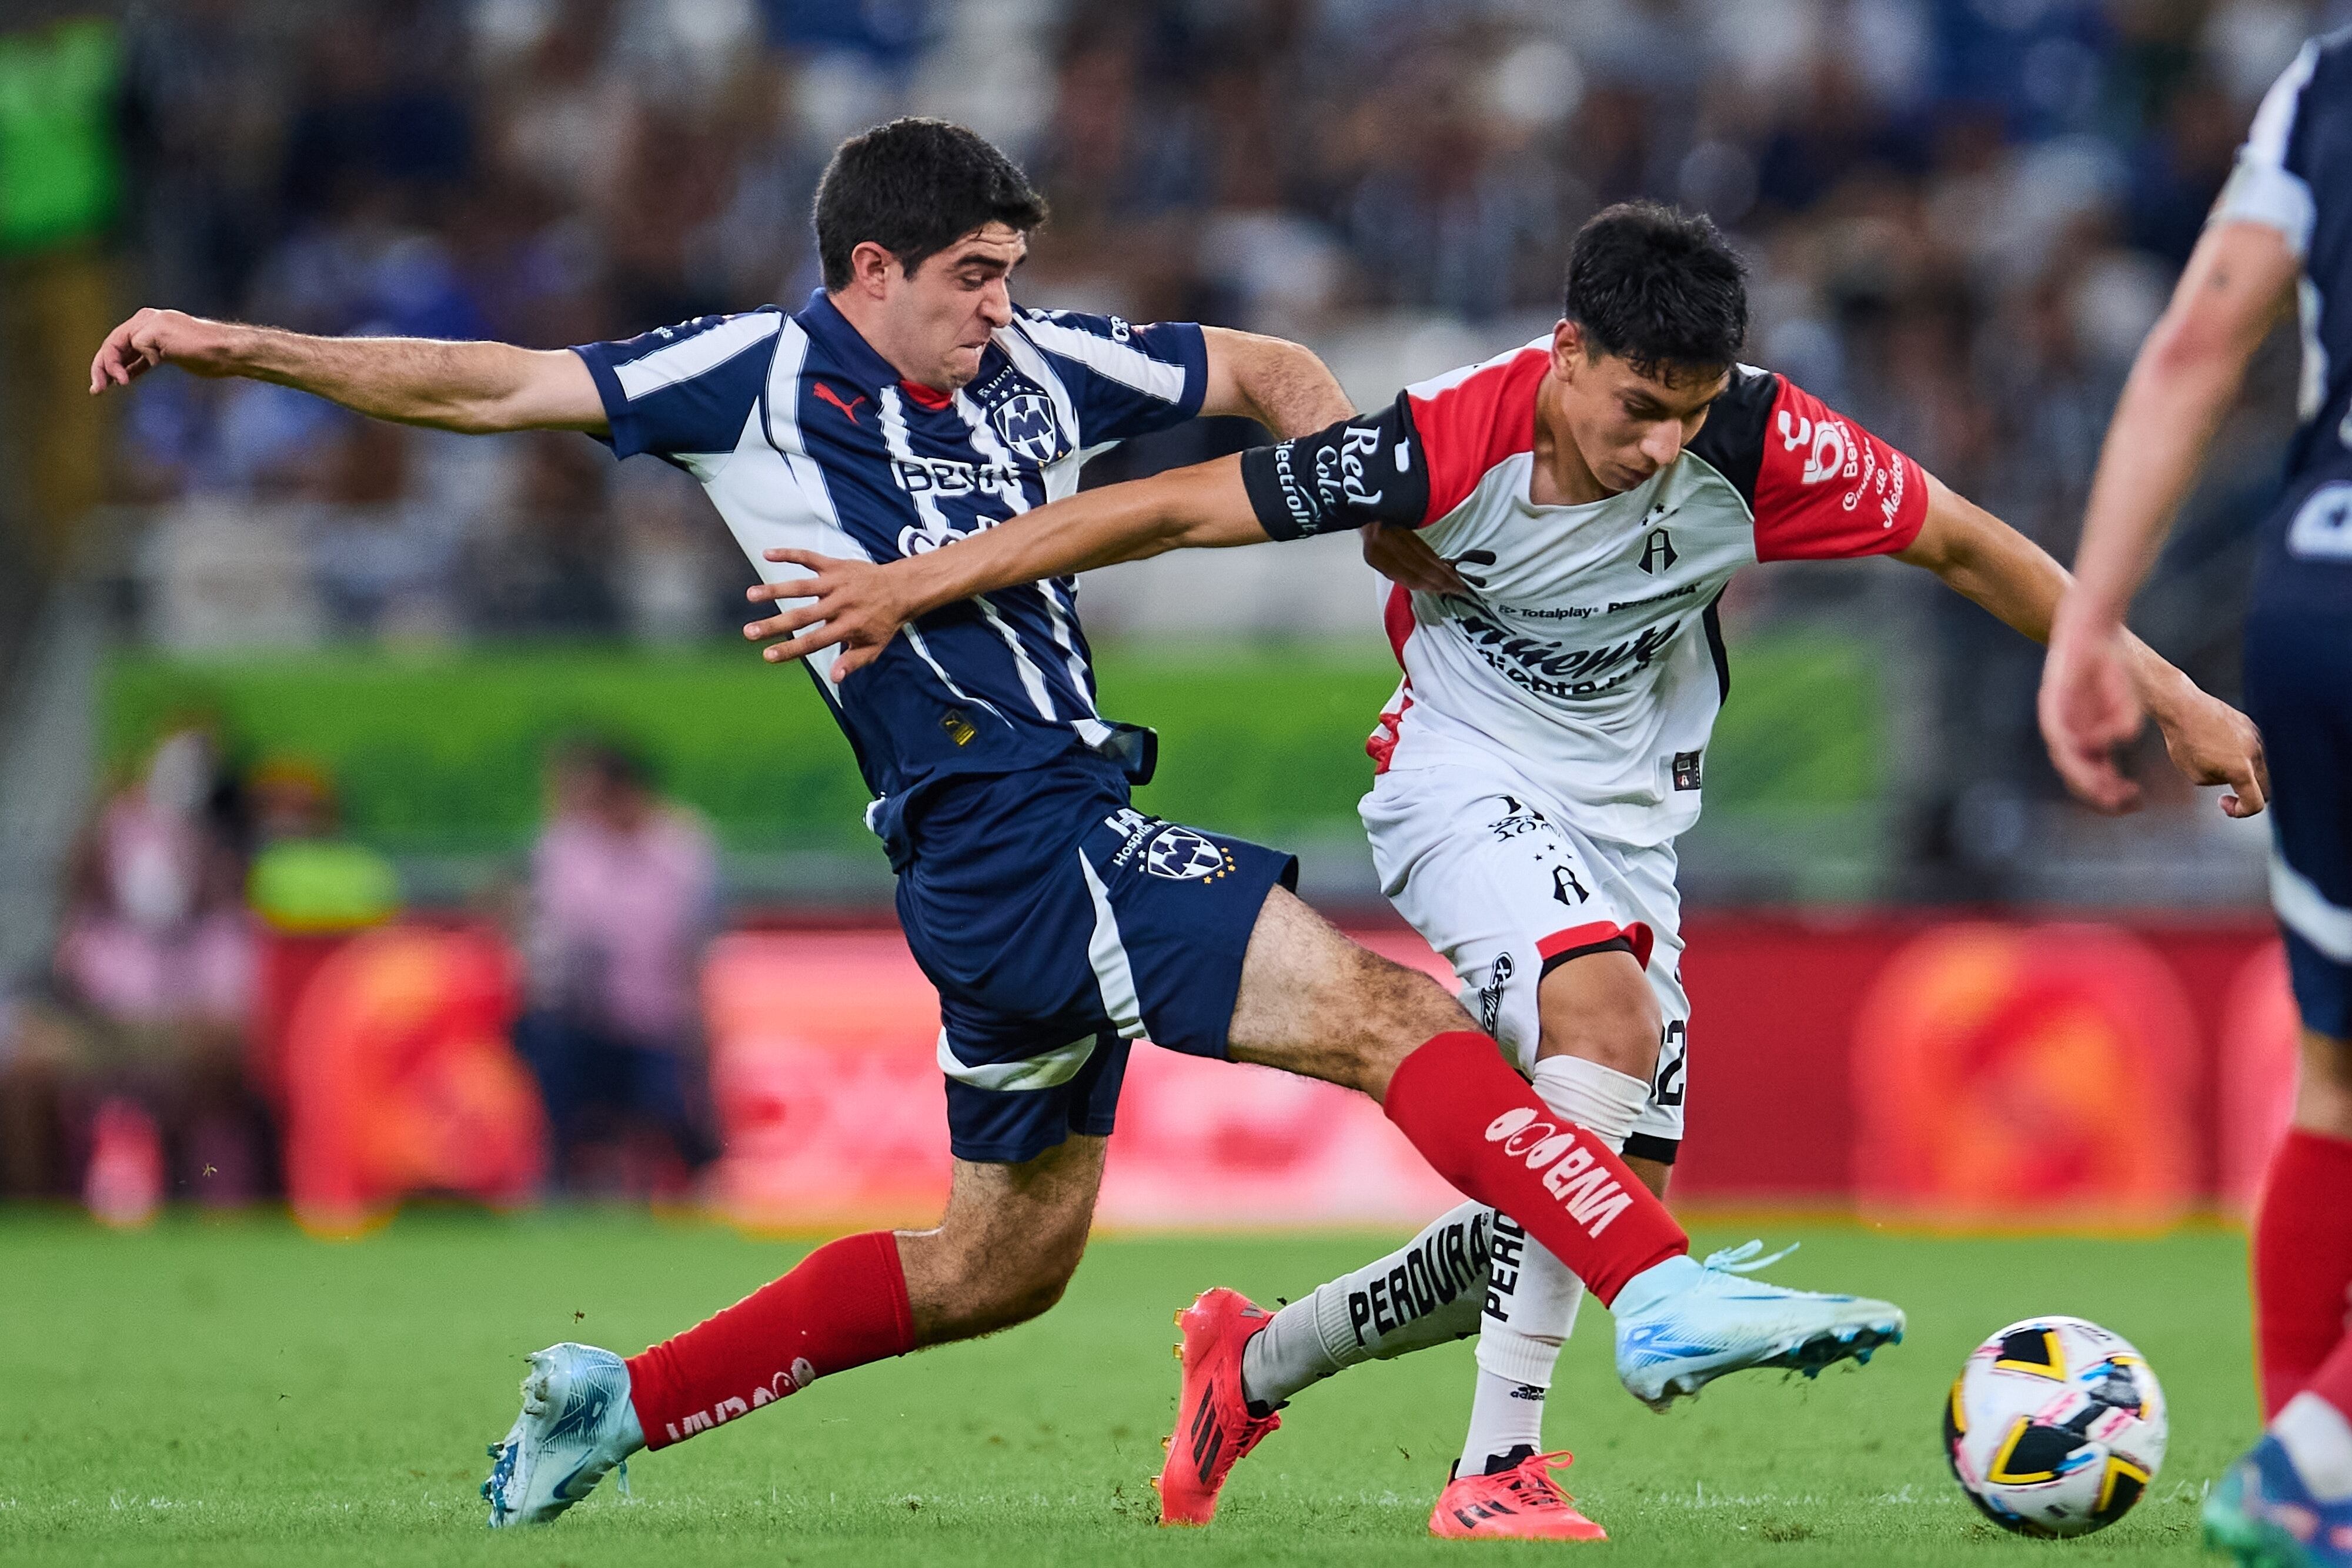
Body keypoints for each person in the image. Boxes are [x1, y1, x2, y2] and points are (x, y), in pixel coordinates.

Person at [91, 118, 1904, 1533]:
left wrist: (1386, 527)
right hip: (1007, 824)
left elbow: (1270, 372)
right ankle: (1650, 1288)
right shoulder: (750, 376)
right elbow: (494, 383)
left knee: (999, 1266)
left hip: (1023, 848)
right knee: (1397, 1023)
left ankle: (616, 1402)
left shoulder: (1041, 373)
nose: (1001, 306)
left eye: (1013, 272)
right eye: (970, 275)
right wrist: (229, 345)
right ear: (868, 269)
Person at [741, 200, 2267, 1540]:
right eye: (1638, 407)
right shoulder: (1442, 442)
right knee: (1595, 1029)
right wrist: (912, 581)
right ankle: (1500, 1467)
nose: (1662, 442)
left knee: (1588, 1196)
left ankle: (1253, 1358)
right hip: (1460, 775)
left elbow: (1974, 546)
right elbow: (1168, 507)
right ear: (1566, 353)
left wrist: (2178, 697)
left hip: (1633, 820)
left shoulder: (1761, 437)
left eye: (1689, 411)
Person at [2035, 28, 2352, 1568]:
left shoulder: (2325, 77)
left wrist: (2094, 628)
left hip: (2315, 597)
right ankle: (2319, 1461)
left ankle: (2313, 1480)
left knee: (2340, 1086)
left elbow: (2194, 342)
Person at [513, 739, 720, 1194]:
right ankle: (560, 1179)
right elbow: (555, 935)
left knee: (675, 1099)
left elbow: (692, 938)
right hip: (584, 1017)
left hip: (660, 1014)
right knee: (546, 1050)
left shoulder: (681, 845)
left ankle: (699, 1179)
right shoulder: (567, 847)